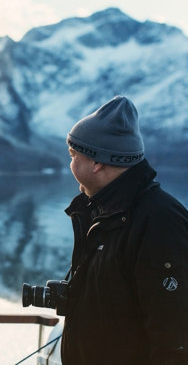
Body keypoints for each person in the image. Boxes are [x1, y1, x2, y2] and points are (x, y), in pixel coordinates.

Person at [62, 96, 188, 365]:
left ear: (96, 163)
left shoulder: (159, 220)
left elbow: (175, 337)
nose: (70, 164)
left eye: (74, 155)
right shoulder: (102, 211)